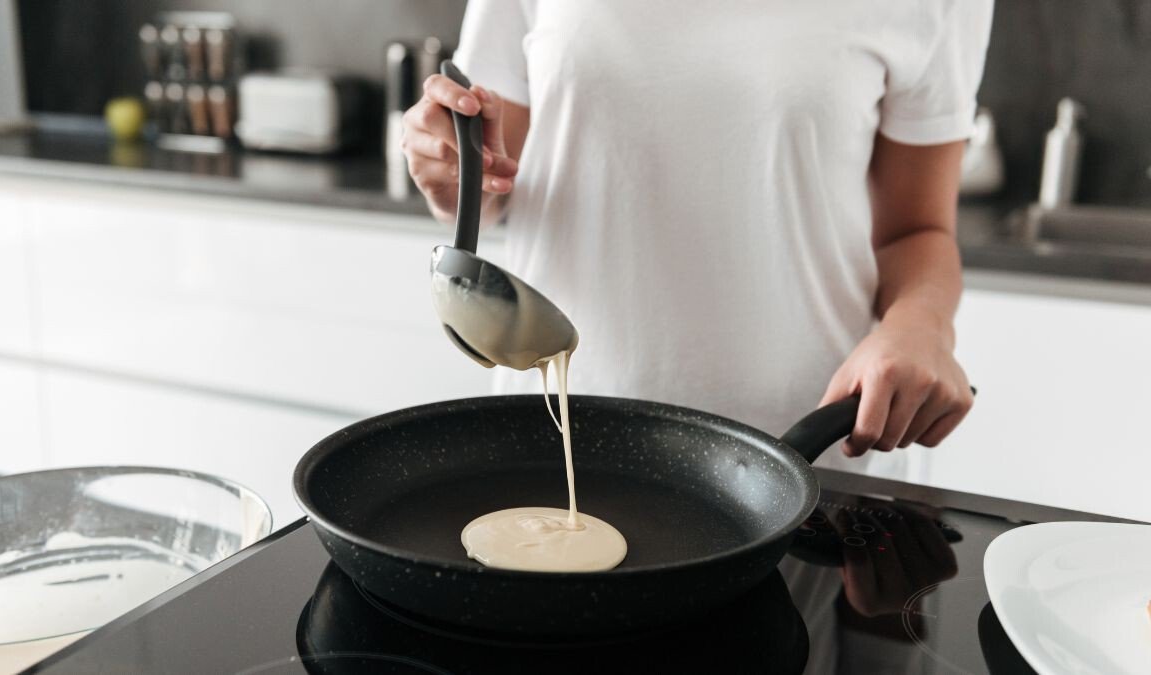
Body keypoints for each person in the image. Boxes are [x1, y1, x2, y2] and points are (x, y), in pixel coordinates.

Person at [401, 1, 991, 474]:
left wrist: (920, 326)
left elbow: (917, 230)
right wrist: (447, 170)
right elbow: (489, 179)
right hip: (554, 433)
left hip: (800, 450)